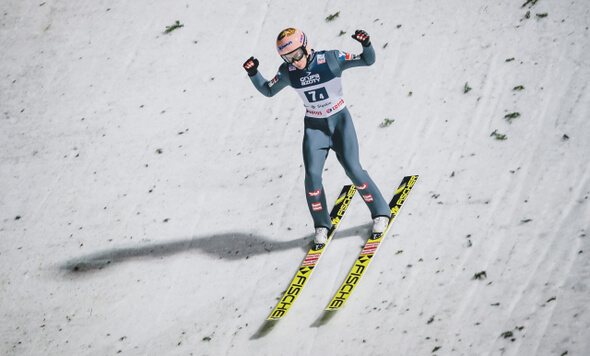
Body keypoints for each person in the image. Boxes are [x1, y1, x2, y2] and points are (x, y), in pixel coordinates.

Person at [243, 28, 390, 247]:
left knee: (353, 168)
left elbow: (367, 61)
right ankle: (321, 224)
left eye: (297, 55)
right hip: (314, 127)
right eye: (288, 57)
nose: (295, 61)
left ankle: (380, 212)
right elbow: (269, 90)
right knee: (312, 177)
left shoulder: (331, 59)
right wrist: (254, 73)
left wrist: (366, 45)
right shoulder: (288, 71)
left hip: (340, 122)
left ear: (306, 46)